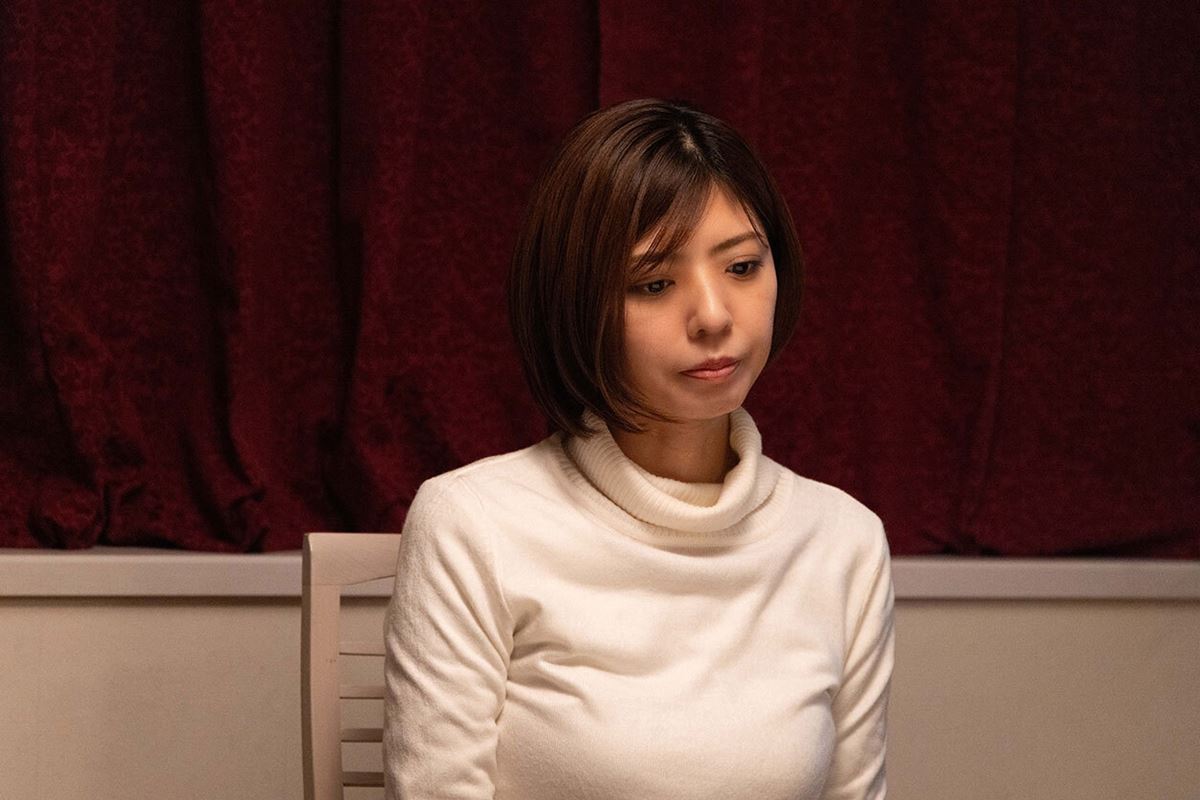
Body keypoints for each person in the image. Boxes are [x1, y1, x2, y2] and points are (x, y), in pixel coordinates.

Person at [383, 98, 895, 800]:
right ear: (576, 305)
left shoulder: (844, 540)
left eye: (743, 267)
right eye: (655, 283)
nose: (713, 316)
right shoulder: (472, 523)